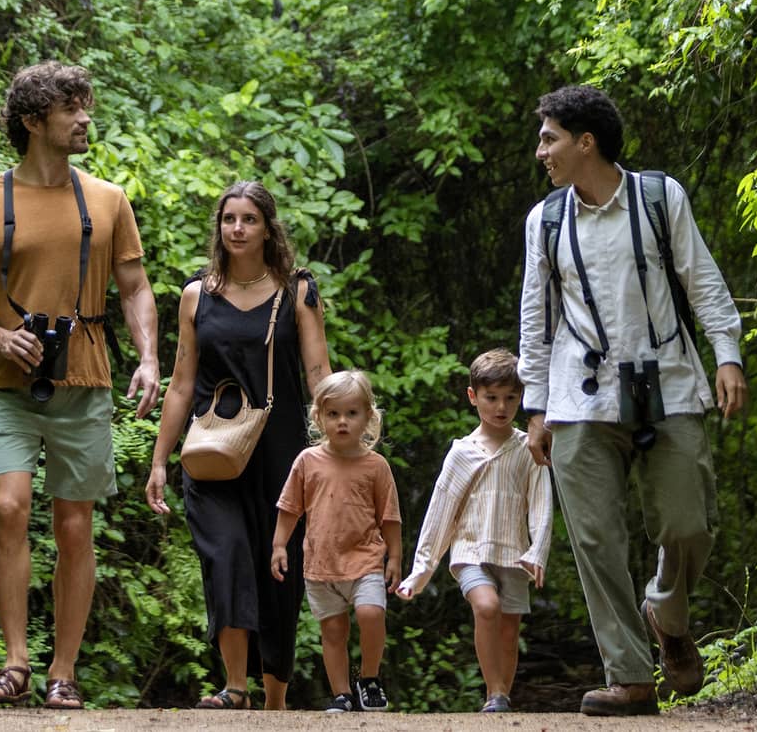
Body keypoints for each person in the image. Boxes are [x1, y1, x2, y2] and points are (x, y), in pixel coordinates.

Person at [518, 84, 749, 718]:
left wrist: (726, 353)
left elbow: (702, 280)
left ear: (584, 141)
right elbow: (535, 321)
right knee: (595, 540)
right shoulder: (545, 221)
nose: (541, 151)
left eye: (550, 138)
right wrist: (535, 408)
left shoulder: (657, 196)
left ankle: (666, 612)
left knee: (689, 523)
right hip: (578, 398)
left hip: (669, 382)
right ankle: (630, 677)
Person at [0, 62, 160, 712]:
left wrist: (147, 357)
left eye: (85, 105)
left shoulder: (109, 200)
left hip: (85, 381)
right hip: (6, 384)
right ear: (35, 121)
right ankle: (15, 663)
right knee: (9, 507)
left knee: (73, 525)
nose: (85, 117)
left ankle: (64, 670)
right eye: (72, 108)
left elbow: (136, 287)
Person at [146, 181, 331, 710]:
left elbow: (318, 372)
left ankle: (274, 701)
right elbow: (181, 382)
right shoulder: (195, 295)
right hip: (213, 451)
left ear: (268, 227)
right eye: (229, 219)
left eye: (249, 219)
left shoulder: (298, 290)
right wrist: (160, 459)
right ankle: (234, 687)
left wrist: (341, 441)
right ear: (219, 227)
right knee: (225, 556)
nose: (238, 229)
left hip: (281, 452)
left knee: (278, 570)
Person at [396, 348, 553, 713]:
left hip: (514, 554)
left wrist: (537, 551)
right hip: (469, 553)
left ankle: (499, 700)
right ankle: (495, 692)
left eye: (511, 398)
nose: (501, 407)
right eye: (491, 397)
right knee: (487, 606)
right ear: (473, 397)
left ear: (522, 398)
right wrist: (421, 571)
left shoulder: (528, 448)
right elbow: (440, 512)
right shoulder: (462, 452)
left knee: (509, 629)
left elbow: (542, 502)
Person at [272, 369, 403, 713]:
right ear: (319, 417)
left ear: (368, 418)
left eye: (351, 413)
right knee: (333, 631)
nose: (342, 421)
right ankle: (342, 694)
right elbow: (289, 508)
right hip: (321, 565)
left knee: (371, 613)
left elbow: (390, 517)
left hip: (365, 561)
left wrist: (395, 558)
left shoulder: (376, 466)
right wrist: (278, 546)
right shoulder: (307, 461)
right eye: (333, 414)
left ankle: (369, 679)